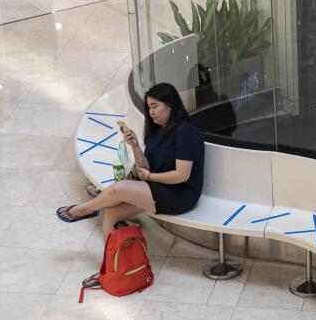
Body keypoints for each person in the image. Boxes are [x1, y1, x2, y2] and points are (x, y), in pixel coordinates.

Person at [56, 83, 205, 276]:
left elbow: (181, 175)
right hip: (157, 188)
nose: (151, 112)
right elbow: (145, 168)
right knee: (111, 213)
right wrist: (135, 145)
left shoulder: (186, 132)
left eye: (155, 107)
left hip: (180, 194)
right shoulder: (157, 130)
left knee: (121, 189)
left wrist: (150, 177)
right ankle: (112, 270)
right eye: (148, 108)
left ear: (171, 105)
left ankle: (84, 209)